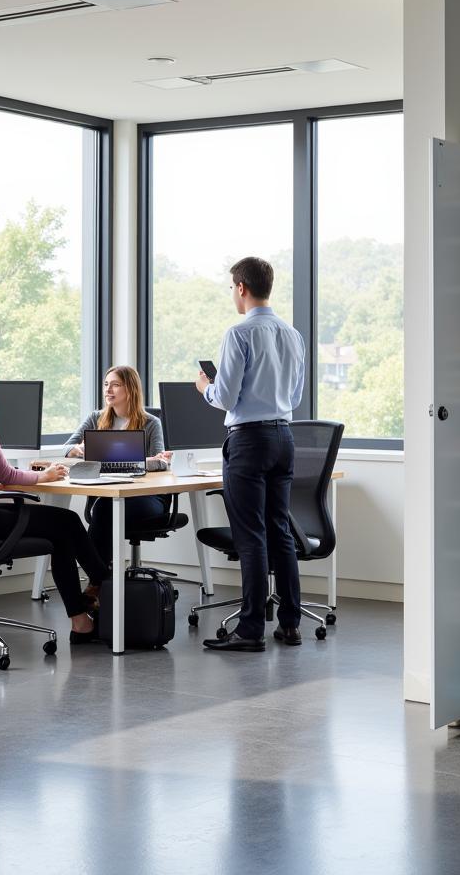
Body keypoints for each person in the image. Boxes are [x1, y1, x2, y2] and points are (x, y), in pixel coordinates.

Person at [0, 352, 108, 643]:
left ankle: (81, 621)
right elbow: (6, 476)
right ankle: (102, 580)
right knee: (67, 521)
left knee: (60, 535)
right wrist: (44, 476)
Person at [197, 256, 306, 652]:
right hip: (284, 437)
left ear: (241, 288)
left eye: (231, 288)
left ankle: (249, 630)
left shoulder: (238, 333)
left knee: (251, 536)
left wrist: (205, 388)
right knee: (279, 531)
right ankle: (290, 624)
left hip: (248, 440)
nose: (232, 295)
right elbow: (294, 396)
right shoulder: (293, 334)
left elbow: (224, 396)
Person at [64, 365, 173, 566]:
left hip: (145, 497)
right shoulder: (96, 418)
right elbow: (67, 448)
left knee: (106, 508)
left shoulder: (151, 423)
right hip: (106, 494)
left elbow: (161, 462)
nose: (108, 390)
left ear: (130, 389)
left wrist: (140, 462)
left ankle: (97, 579)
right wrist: (79, 450)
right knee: (104, 507)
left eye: (115, 385)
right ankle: (100, 577)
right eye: (106, 385)